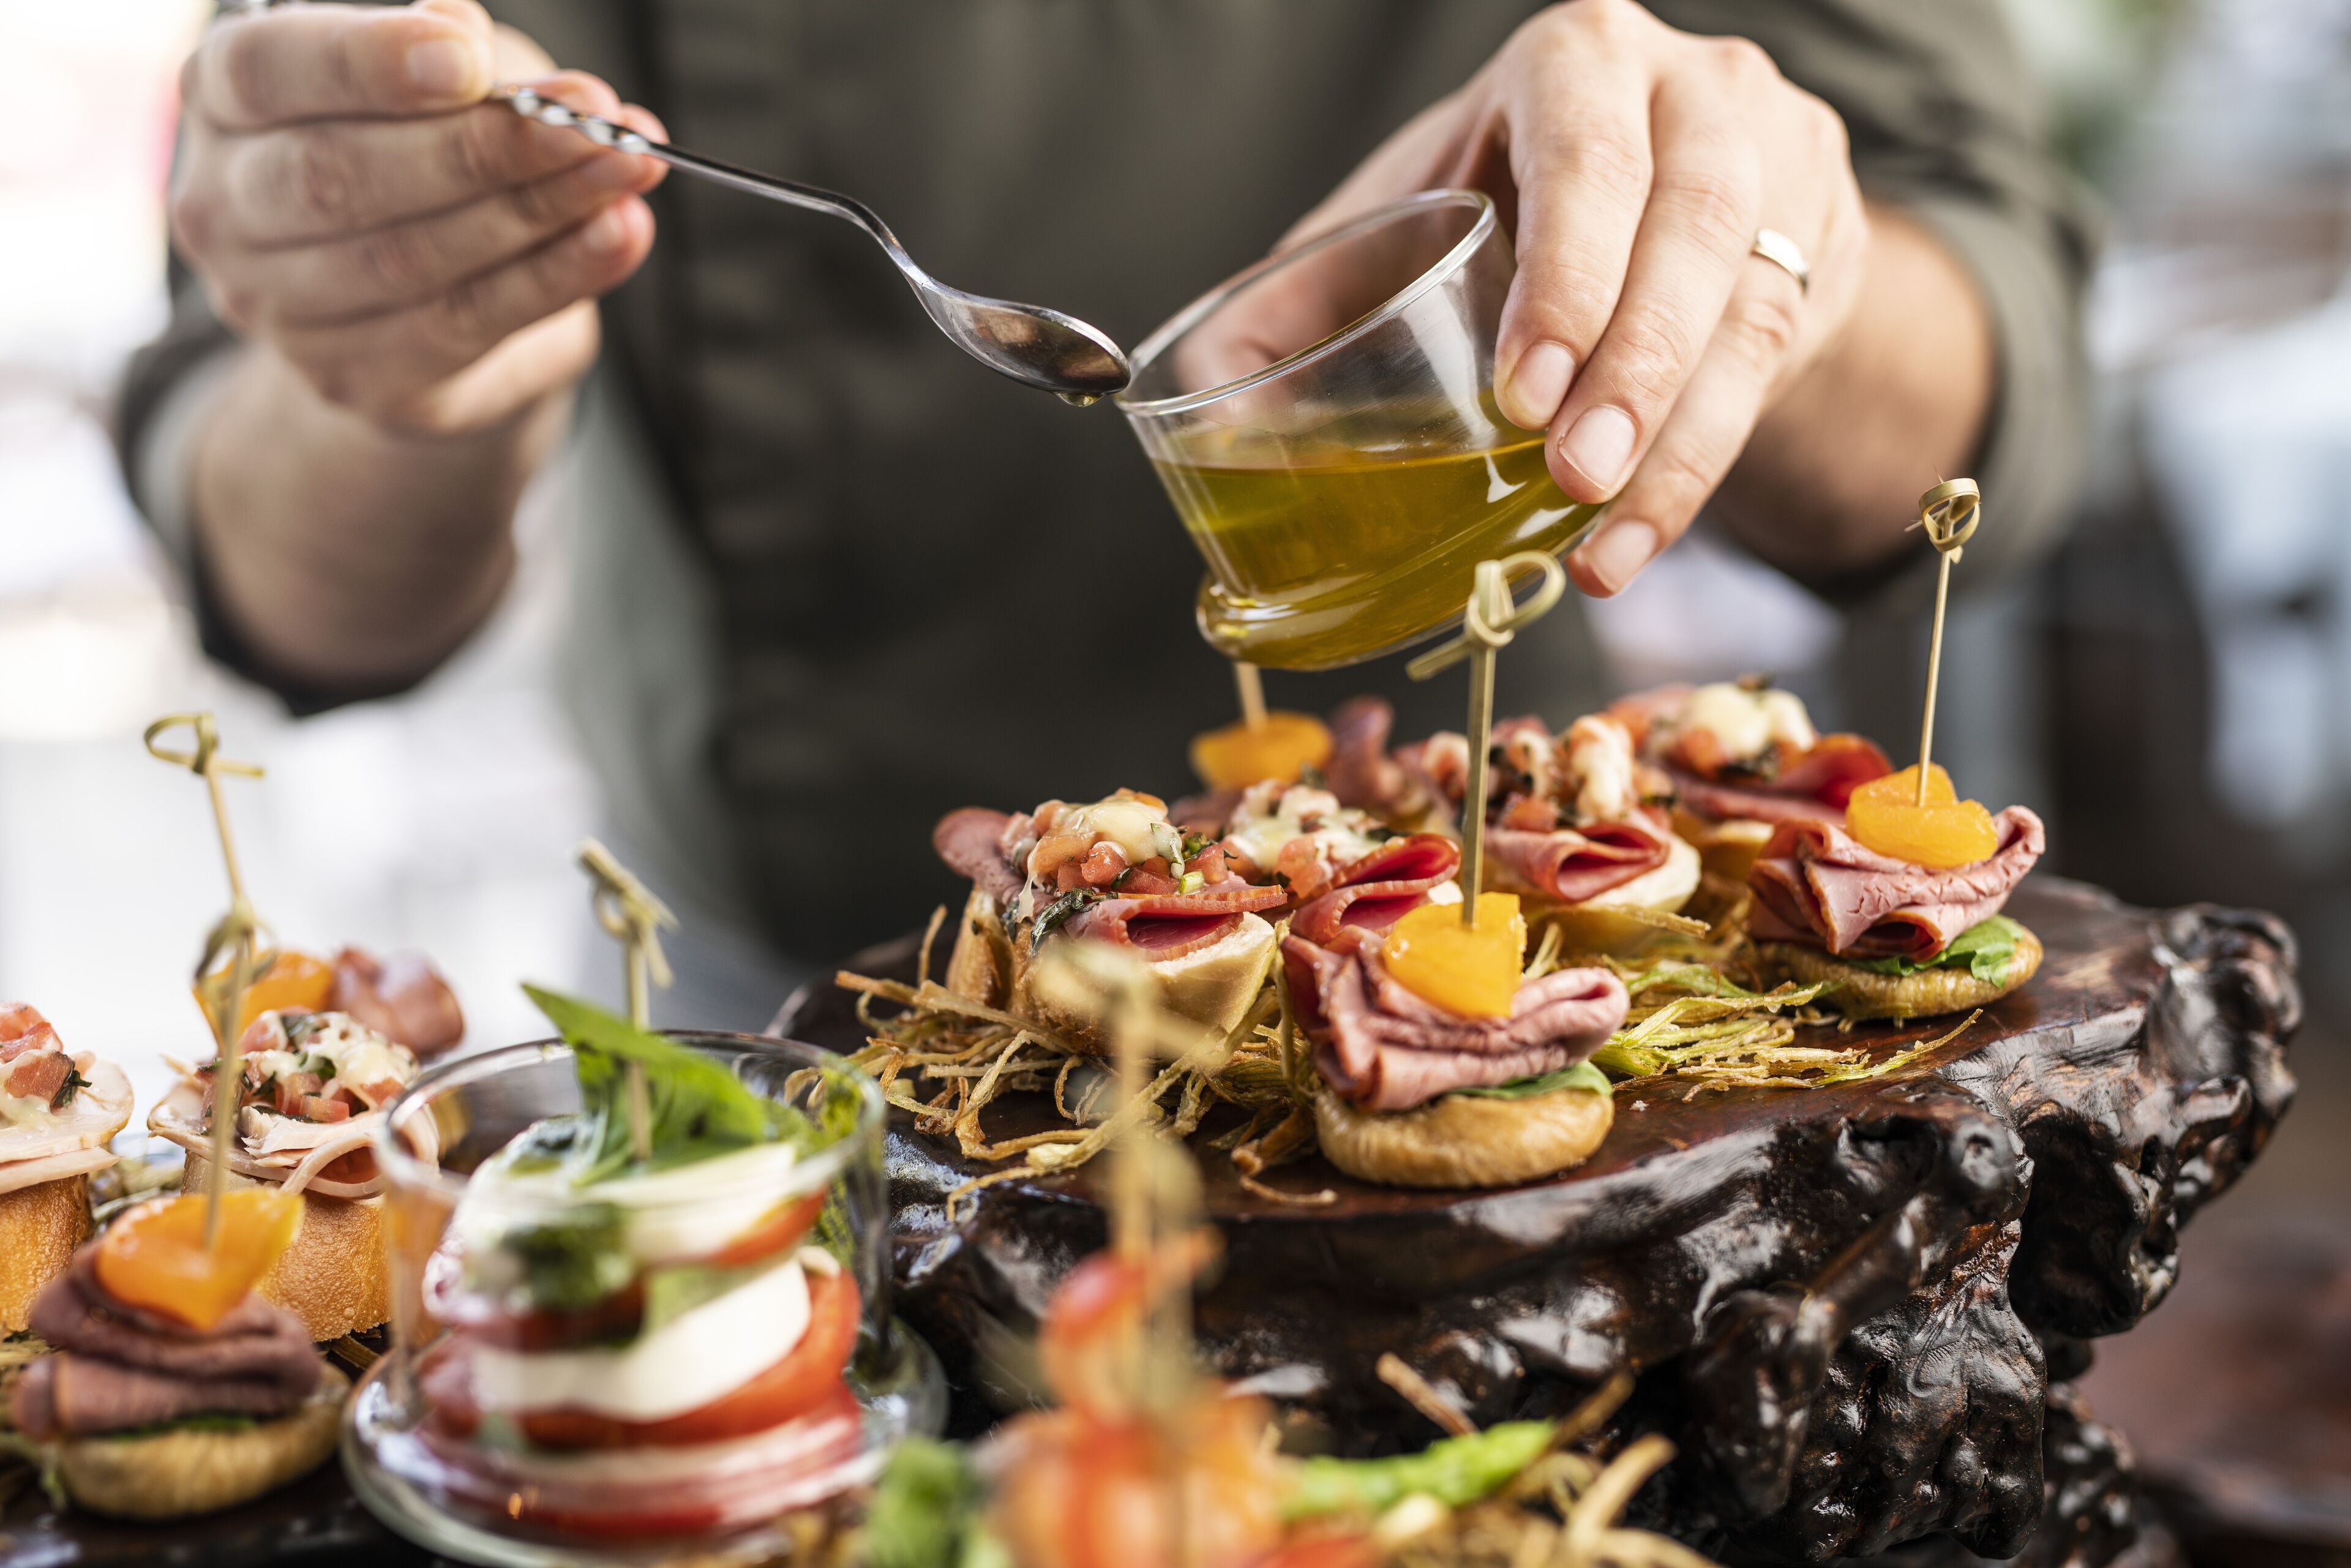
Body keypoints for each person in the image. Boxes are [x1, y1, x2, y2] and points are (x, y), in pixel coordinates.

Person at [123, 0, 2092, 1018]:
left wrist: (1760, 267)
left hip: (1475, 902)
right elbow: (280, 568)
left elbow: (1997, 356)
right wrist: (399, 364)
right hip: (798, 1006)